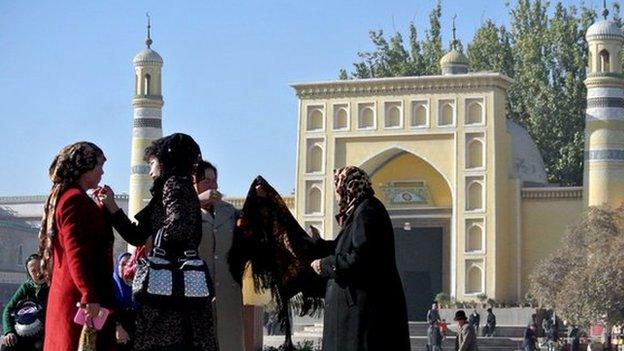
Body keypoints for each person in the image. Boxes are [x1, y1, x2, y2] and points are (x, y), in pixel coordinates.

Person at [99, 133, 218, 351]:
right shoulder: (169, 188)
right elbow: (136, 236)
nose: (150, 170)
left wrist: (159, 246)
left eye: (152, 163)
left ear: (165, 161)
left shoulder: (174, 185)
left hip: (171, 288)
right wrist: (112, 206)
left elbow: (179, 226)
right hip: (177, 287)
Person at [309, 166, 411, 351]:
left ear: (349, 187)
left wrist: (325, 265)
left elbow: (361, 258)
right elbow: (346, 248)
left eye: (338, 188)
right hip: (356, 315)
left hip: (363, 318)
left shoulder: (367, 210)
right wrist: (319, 244)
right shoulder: (360, 210)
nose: (337, 194)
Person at [38, 141, 117, 351]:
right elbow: (77, 252)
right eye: (98, 165)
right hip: (80, 298)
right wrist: (88, 294)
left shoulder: (69, 197)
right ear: (85, 168)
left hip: (68, 292)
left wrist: (101, 209)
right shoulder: (76, 201)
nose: (102, 171)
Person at [193, 160, 244, 351]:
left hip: (227, 294)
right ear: (194, 183)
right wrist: (196, 201)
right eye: (206, 181)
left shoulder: (228, 211)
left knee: (229, 343)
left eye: (214, 181)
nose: (212, 186)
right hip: (198, 294)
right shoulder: (184, 210)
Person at [1, 254, 49, 351]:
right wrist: (8, 332)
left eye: (40, 268)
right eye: (33, 271)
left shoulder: (52, 286)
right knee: (7, 346)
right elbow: (8, 309)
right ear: (29, 273)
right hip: (24, 330)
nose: (38, 273)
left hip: (44, 333)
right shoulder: (26, 287)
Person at [112, 252, 135, 351]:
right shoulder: (111, 285)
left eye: (129, 264)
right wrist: (118, 327)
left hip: (136, 332)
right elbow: (107, 309)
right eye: (123, 264)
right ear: (117, 266)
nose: (126, 267)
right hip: (116, 330)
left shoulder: (138, 284)